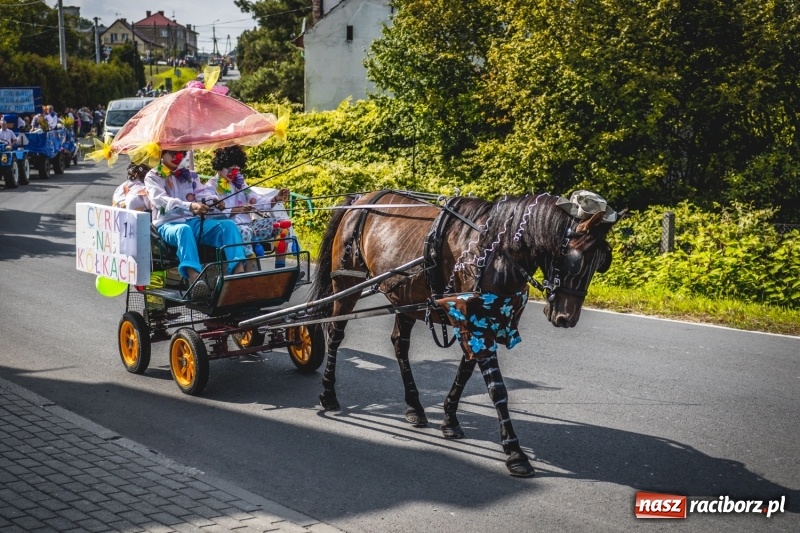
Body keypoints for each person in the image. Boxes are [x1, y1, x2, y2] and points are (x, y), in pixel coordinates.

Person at [144, 149, 247, 298]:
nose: (177, 156)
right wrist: (190, 206)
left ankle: (239, 274)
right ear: (162, 154)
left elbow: (202, 193)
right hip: (167, 224)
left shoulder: (190, 175)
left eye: (180, 152)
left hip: (194, 222)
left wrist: (214, 200)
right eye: (172, 153)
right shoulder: (153, 176)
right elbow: (160, 200)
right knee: (183, 230)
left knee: (228, 226)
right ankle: (195, 280)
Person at [207, 146, 298, 268]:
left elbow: (257, 201)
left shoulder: (240, 183)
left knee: (283, 224)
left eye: (237, 170)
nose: (234, 173)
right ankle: (252, 273)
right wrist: (238, 210)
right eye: (230, 169)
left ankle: (280, 270)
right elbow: (213, 213)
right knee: (246, 231)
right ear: (219, 166)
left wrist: (276, 199)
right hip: (230, 230)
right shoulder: (210, 187)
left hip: (250, 226)